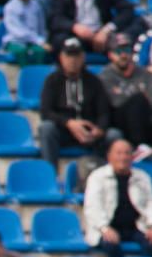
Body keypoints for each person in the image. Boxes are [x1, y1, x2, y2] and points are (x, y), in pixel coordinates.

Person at [84, 138, 152, 257]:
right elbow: (93, 206)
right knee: (110, 244)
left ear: (132, 157)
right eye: (119, 153)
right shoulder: (97, 177)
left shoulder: (142, 177)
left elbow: (151, 203)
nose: (123, 157)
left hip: (136, 226)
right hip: (108, 226)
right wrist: (104, 228)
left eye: (127, 153)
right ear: (109, 156)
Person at [99, 32, 152, 160]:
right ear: (111, 55)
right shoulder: (105, 76)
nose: (124, 55)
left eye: (126, 50)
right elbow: (116, 103)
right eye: (119, 51)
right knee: (138, 100)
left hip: (147, 122)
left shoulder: (143, 73)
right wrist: (141, 99)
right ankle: (138, 147)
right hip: (121, 125)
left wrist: (141, 103)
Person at [38, 37, 113, 168]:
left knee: (114, 135)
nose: (72, 60)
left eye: (76, 56)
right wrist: (69, 123)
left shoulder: (94, 81)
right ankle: (50, 174)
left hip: (90, 131)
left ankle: (105, 173)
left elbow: (104, 111)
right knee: (46, 128)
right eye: (69, 55)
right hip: (64, 131)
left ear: (83, 57)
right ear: (61, 57)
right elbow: (46, 112)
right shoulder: (52, 81)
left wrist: (99, 129)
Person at [48, 0, 137, 55]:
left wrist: (107, 30)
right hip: (74, 35)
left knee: (125, 40)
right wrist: (74, 27)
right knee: (64, 43)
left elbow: (126, 10)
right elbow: (55, 18)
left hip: (103, 34)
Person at [1, 0, 50, 66]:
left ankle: (38, 76)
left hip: (35, 40)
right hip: (15, 40)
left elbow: (41, 26)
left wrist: (43, 40)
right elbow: (18, 32)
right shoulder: (10, 7)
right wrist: (38, 40)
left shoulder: (36, 4)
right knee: (21, 52)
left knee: (40, 51)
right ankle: (25, 76)